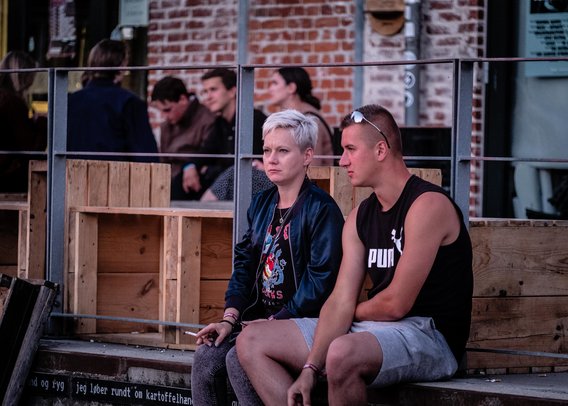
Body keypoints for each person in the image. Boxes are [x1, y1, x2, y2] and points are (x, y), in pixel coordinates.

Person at [237, 104, 474, 405]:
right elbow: (340, 298)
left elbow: (395, 304)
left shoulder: (427, 205)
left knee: (341, 352)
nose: (342, 160)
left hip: (429, 334)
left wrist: (345, 312)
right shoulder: (360, 216)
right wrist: (311, 367)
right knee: (251, 340)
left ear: (380, 150)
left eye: (350, 149)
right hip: (373, 329)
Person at [190, 109, 345, 406]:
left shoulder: (321, 209)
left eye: (282, 151)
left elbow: (320, 281)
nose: (271, 159)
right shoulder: (261, 204)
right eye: (267, 150)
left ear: (307, 156)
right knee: (207, 355)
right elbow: (244, 265)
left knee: (237, 358)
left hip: (300, 324)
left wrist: (275, 321)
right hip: (257, 321)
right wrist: (229, 319)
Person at [172, 68, 267, 200]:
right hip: (225, 181)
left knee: (228, 177)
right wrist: (190, 167)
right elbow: (205, 153)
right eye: (205, 92)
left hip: (251, 186)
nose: (208, 97)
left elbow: (245, 166)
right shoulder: (220, 123)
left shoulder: (253, 120)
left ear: (232, 91)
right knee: (181, 180)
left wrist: (209, 169)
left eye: (213, 90)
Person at [67, 39, 158, 162]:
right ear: (122, 65)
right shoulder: (129, 102)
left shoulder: (70, 101)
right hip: (115, 172)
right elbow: (147, 156)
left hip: (71, 172)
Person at [150, 76, 216, 180]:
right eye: (161, 111)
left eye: (167, 110)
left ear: (183, 99)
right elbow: (163, 162)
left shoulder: (208, 120)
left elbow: (208, 160)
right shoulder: (166, 126)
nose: (164, 116)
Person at [0, 51, 47, 192]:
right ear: (22, 76)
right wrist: (42, 124)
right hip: (8, 178)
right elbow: (30, 149)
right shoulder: (12, 102)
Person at [268, 67, 334, 166]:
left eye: (275, 83)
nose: (270, 89)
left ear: (291, 88)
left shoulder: (309, 120)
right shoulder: (299, 118)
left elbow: (312, 167)